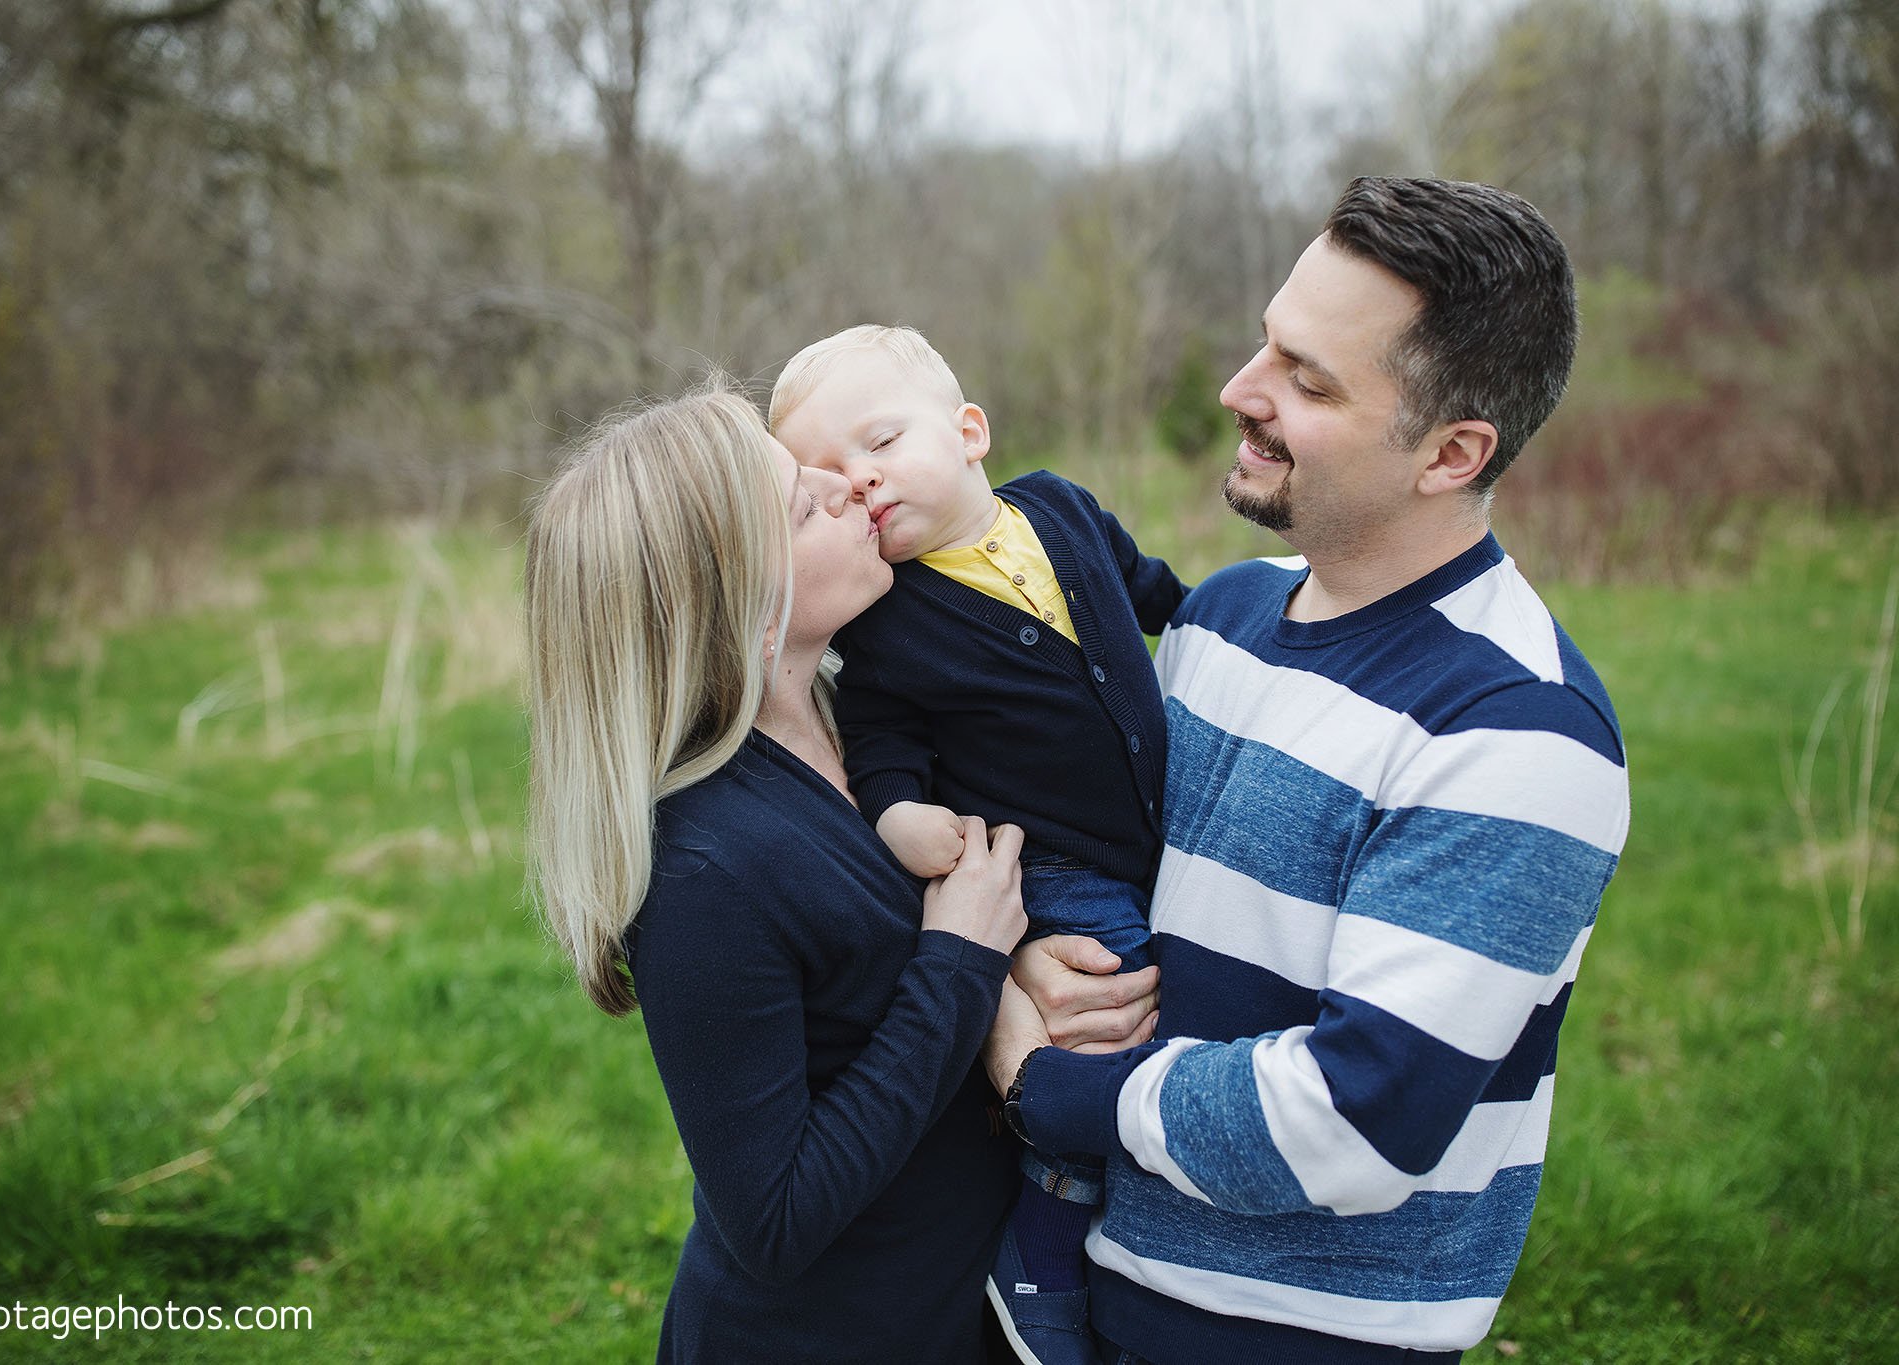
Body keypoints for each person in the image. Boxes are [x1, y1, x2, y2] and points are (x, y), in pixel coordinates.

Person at [986, 177, 1632, 1364]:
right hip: (1090, 1292)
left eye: (1307, 378)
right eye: (1266, 343)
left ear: (1451, 452)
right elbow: (1111, 866)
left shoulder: (1514, 733)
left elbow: (1352, 1120)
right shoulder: (1217, 621)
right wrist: (1035, 960)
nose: (1241, 390)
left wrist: (1040, 1082)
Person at [525, 385, 1032, 1363]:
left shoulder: (864, 724)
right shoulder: (706, 867)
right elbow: (773, 1218)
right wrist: (961, 963)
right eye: (803, 503)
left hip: (951, 1309)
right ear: (740, 611)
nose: (846, 487)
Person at [770, 325, 1177, 1365]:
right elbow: (886, 745)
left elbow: (1154, 591)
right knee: (1111, 998)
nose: (859, 482)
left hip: (1149, 826)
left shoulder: (1060, 507)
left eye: (882, 442)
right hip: (1050, 866)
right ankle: (1047, 1236)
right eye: (830, 476)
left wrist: (1229, 615)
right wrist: (902, 818)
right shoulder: (887, 622)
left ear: (968, 432)